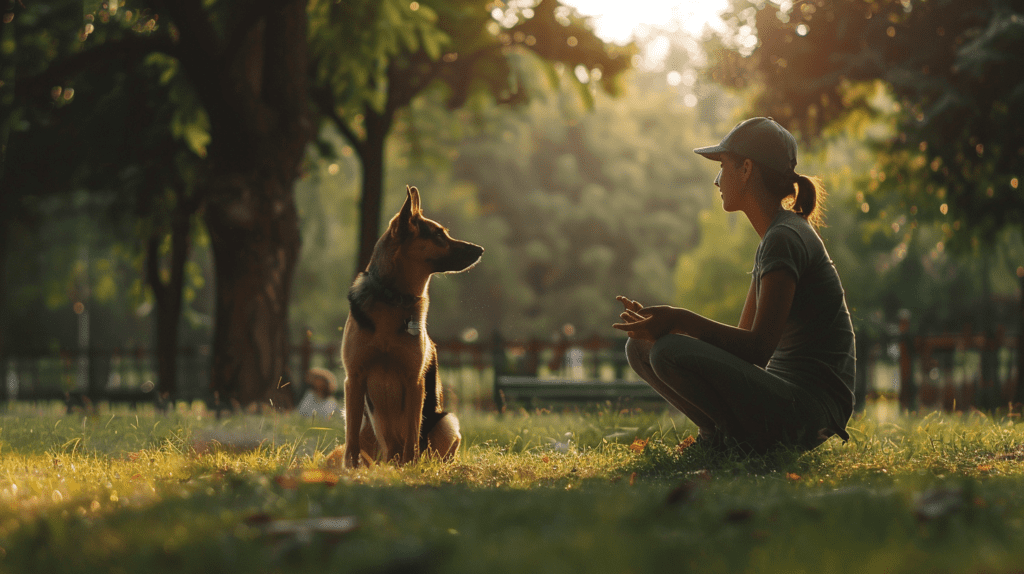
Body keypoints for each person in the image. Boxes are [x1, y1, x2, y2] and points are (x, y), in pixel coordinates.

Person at [613, 117, 856, 454]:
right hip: (790, 399)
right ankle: (718, 438)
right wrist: (663, 326)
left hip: (810, 410)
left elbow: (758, 349)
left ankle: (722, 442)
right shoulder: (775, 237)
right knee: (640, 348)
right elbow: (742, 351)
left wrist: (680, 322)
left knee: (669, 351)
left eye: (722, 165)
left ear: (746, 169)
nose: (717, 179)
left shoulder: (784, 238)